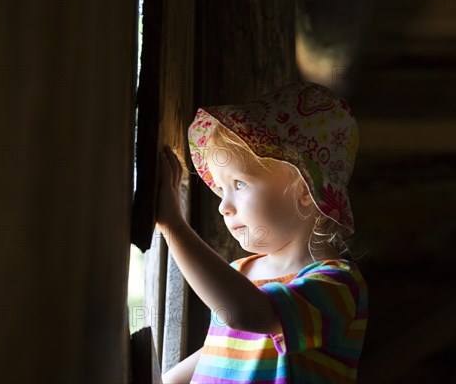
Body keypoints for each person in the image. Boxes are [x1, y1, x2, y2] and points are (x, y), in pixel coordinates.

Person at [156, 82, 368, 384]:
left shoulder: (338, 287)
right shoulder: (240, 273)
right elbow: (218, 352)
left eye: (239, 184)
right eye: (221, 190)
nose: (223, 207)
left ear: (305, 189)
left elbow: (248, 314)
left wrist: (174, 227)